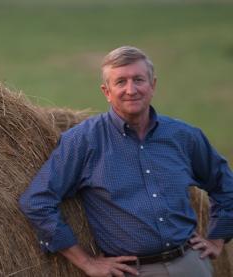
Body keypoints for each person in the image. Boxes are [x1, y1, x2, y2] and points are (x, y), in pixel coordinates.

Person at [18, 46, 233, 277]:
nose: (131, 90)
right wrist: (87, 262)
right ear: (106, 91)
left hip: (190, 266)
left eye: (138, 79)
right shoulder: (83, 142)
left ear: (153, 85)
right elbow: (37, 201)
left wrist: (217, 238)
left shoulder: (184, 137)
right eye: (120, 82)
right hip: (133, 271)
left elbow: (225, 186)